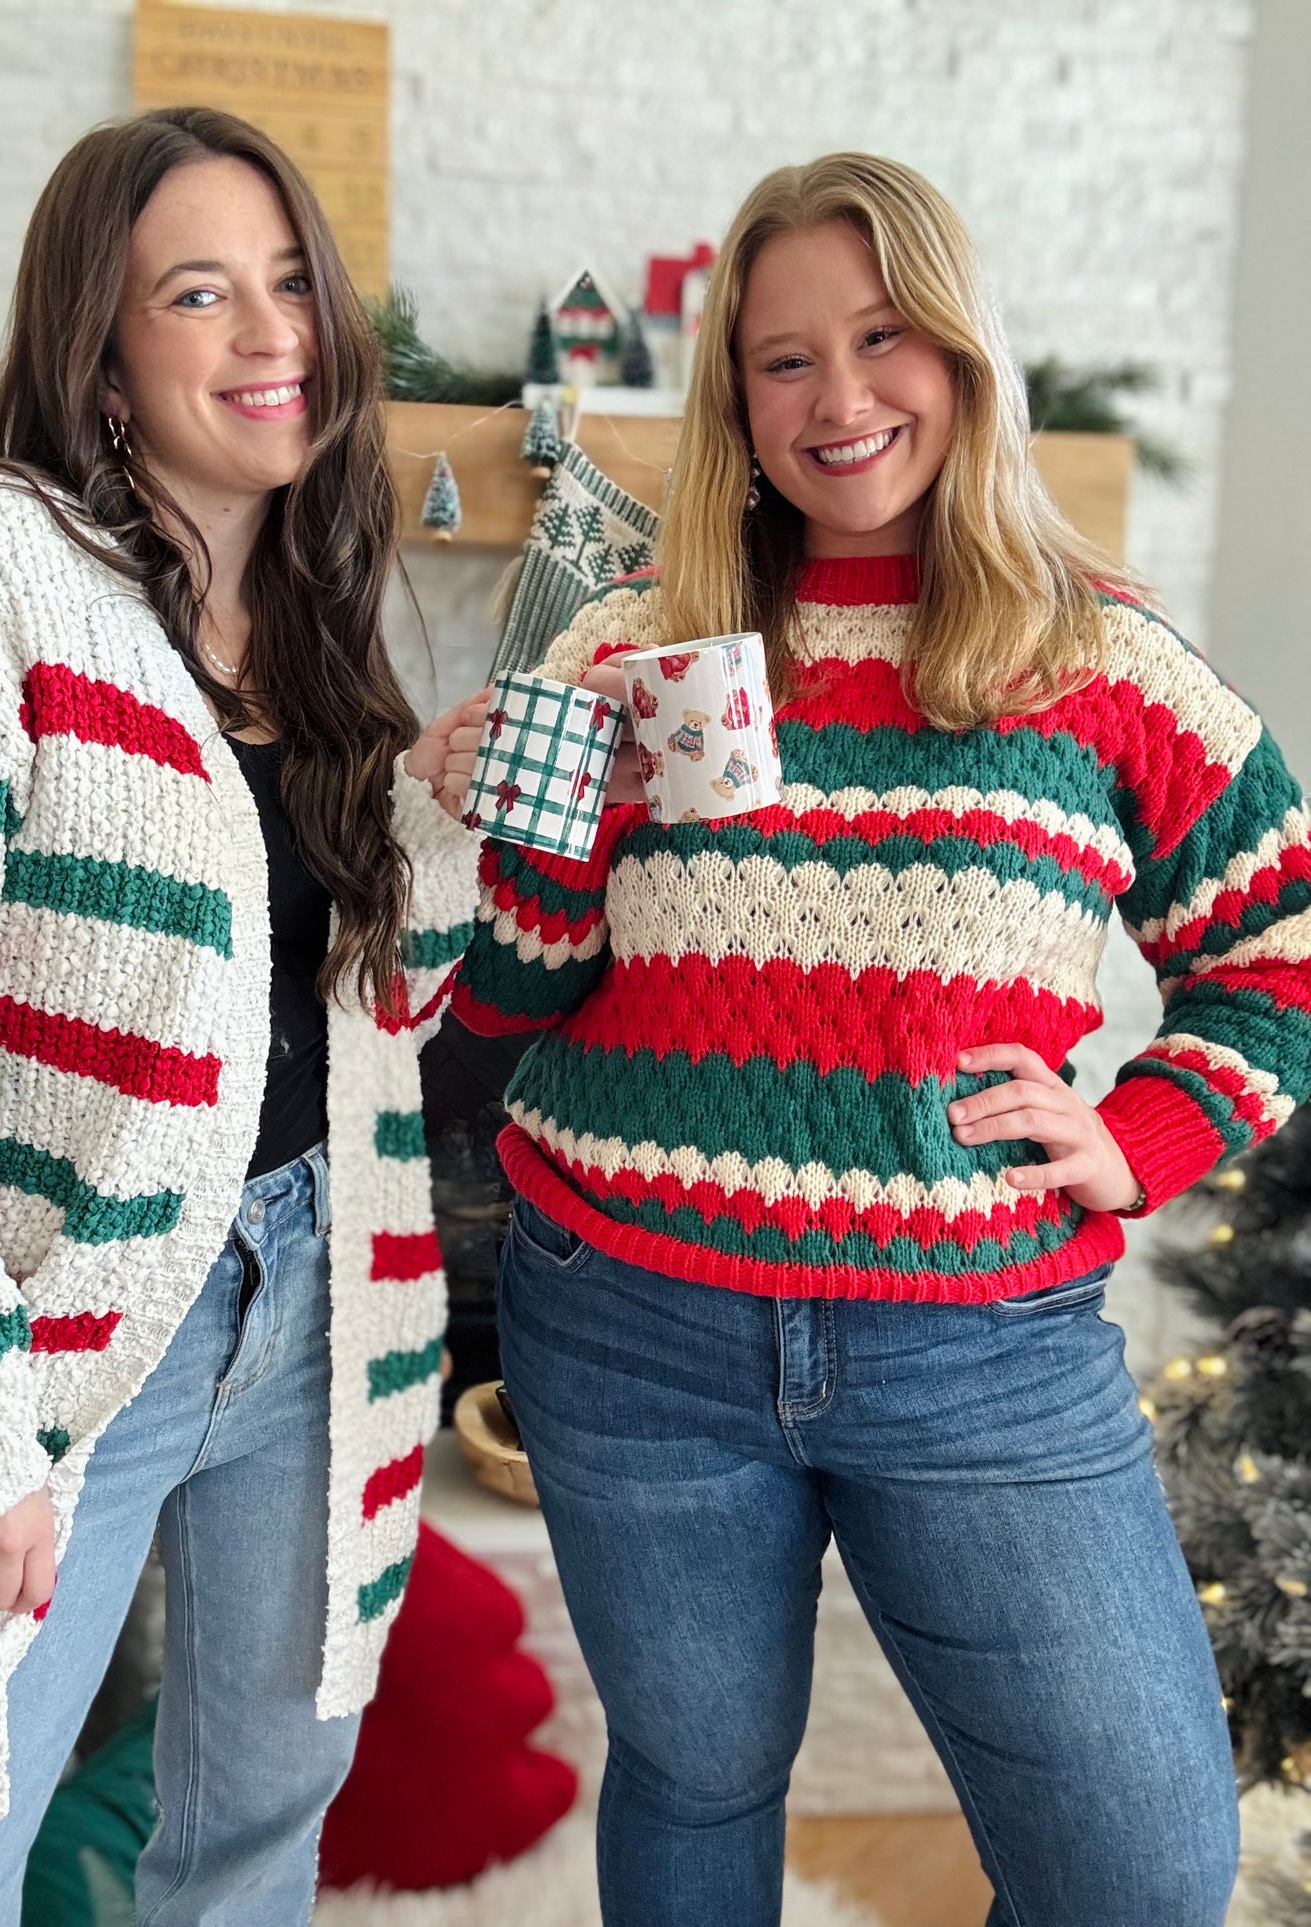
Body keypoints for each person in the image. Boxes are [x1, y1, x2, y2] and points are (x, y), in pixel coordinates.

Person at [451, 151, 1311, 1926]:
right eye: (783, 359)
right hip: (629, 1321)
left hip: (979, 1351)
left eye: (884, 335)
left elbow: (1279, 950)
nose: (838, 399)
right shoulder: (641, 644)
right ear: (733, 396)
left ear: (962, 354)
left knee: (1140, 1864)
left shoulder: (1100, 660)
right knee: (694, 1783)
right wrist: (537, 817)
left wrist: (1138, 1136)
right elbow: (510, 1006)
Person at [0, 106, 486, 1921]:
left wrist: (437, 819)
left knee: (253, 1838)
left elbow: (383, 1016)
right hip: (62, 1325)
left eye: (291, 283)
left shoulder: (310, 619)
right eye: (200, 293)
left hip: (317, 1304)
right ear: (104, 354)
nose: (271, 333)